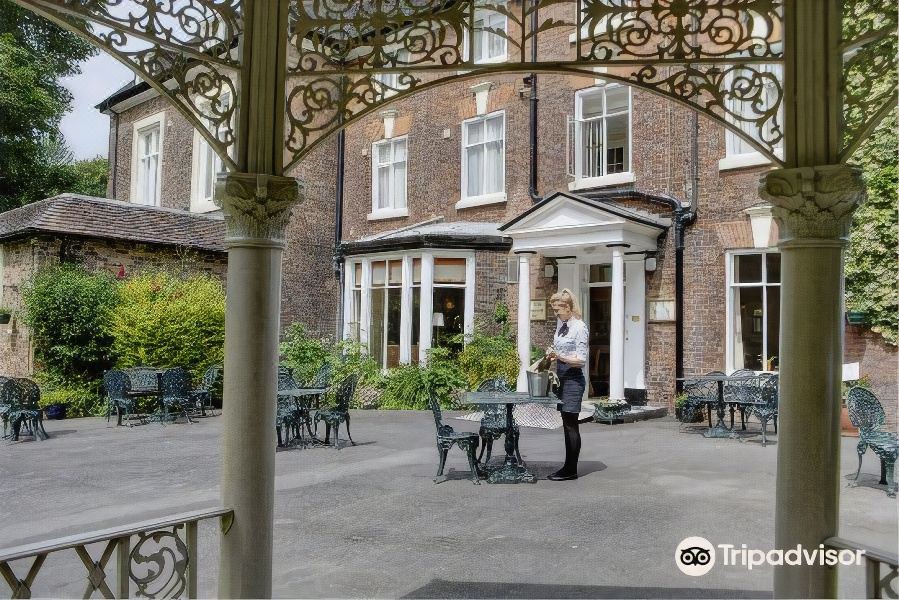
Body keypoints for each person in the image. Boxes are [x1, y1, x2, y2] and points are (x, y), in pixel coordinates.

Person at [546, 288, 588, 481]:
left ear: (569, 308)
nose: (556, 314)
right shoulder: (561, 325)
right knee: (566, 423)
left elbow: (581, 360)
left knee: (571, 425)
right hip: (562, 378)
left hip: (573, 379)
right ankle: (568, 466)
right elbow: (560, 349)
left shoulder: (580, 327)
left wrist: (559, 356)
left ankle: (570, 469)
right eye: (554, 310)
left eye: (558, 310)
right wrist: (551, 353)